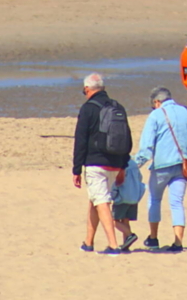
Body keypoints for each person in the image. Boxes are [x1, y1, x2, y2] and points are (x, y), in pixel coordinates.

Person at [134, 87, 187, 252]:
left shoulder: (156, 115)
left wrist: (134, 165)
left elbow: (146, 147)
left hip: (162, 166)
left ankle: (154, 238)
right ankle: (178, 243)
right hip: (184, 165)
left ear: (157, 102)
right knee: (177, 203)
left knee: (155, 199)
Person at [72, 73, 130, 254]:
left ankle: (113, 245)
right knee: (95, 200)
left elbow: (80, 140)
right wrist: (123, 165)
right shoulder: (117, 106)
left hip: (95, 163)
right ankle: (88, 242)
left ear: (87, 89)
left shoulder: (87, 108)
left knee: (102, 201)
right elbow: (127, 139)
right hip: (115, 162)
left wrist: (76, 169)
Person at [111, 157, 145, 252]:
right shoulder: (133, 163)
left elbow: (115, 183)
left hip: (122, 197)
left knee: (113, 220)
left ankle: (130, 235)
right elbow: (140, 178)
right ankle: (126, 244)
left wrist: (112, 195)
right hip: (134, 197)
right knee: (125, 220)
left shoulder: (119, 164)